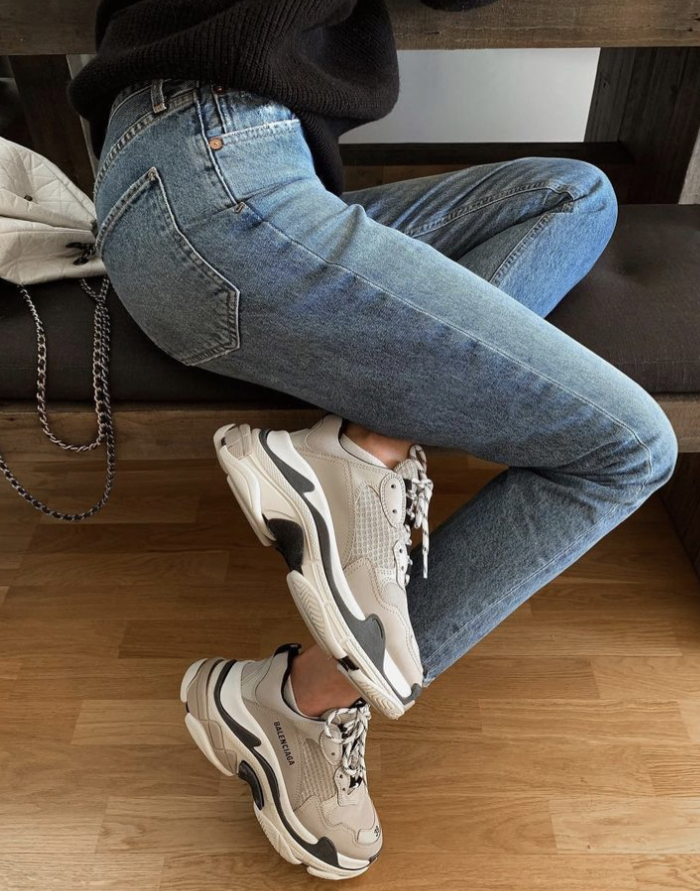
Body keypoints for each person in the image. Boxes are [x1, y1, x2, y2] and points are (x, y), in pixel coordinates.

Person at [68, 0, 679, 881]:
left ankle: (367, 449)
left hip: (192, 172)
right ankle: (302, 699)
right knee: (628, 449)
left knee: (574, 193)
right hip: (219, 184)